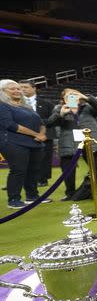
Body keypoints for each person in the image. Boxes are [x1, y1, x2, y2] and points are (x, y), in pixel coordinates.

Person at [0, 79, 47, 208]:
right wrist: (36, 134)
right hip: (12, 142)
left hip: (34, 142)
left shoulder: (26, 106)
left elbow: (41, 122)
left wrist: (42, 134)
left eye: (18, 89)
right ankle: (14, 200)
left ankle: (32, 196)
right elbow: (11, 125)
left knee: (33, 170)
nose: (17, 91)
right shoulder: (2, 105)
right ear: (2, 92)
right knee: (18, 170)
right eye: (12, 89)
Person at [19, 80, 55, 187]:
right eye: (20, 87)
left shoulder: (46, 103)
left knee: (44, 159)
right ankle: (18, 180)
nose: (22, 89)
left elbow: (52, 119)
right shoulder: (14, 103)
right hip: (23, 135)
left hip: (44, 136)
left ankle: (42, 179)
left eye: (25, 87)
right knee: (21, 159)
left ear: (34, 88)